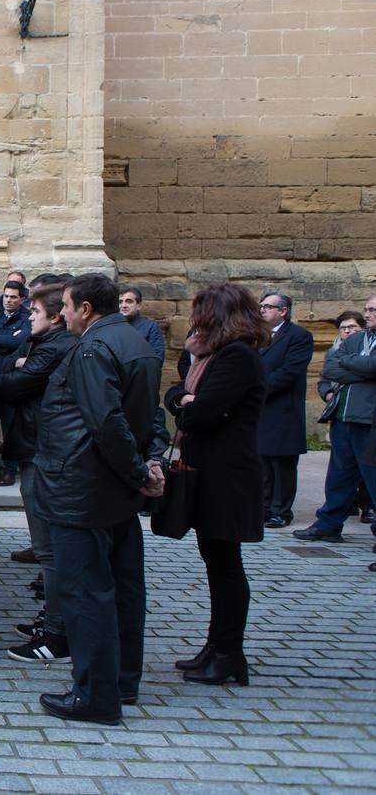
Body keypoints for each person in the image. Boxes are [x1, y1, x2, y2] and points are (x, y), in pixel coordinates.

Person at [32, 274, 163, 725]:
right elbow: (147, 416)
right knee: (123, 587)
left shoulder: (92, 348)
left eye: (66, 306)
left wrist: (138, 470)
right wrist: (146, 466)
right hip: (111, 489)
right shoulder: (134, 342)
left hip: (83, 489)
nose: (62, 314)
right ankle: (121, 680)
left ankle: (95, 694)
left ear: (86, 308)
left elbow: (107, 420)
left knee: (87, 592)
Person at [163, 283, 268, 686]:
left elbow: (198, 414)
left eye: (200, 312)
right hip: (210, 471)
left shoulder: (237, 357)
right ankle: (216, 646)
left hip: (228, 477)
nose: (193, 320)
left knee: (226, 566)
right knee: (216, 563)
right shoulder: (209, 357)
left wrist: (186, 405)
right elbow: (177, 395)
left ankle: (228, 654)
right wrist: (184, 401)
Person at [0, 284, 77, 664]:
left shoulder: (56, 346)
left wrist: (16, 366)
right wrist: (16, 362)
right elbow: (9, 369)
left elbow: (8, 384)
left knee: (50, 550)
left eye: (35, 312)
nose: (28, 317)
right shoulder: (44, 344)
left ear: (56, 315)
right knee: (47, 549)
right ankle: (53, 620)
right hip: (35, 446)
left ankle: (57, 633)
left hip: (42, 449)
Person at [296, 295, 376, 544]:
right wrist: (363, 370)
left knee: (372, 477)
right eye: (366, 309)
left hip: (369, 419)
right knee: (339, 474)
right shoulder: (356, 338)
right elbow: (330, 368)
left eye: (373, 309)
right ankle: (329, 524)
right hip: (343, 415)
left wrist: (354, 366)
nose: (368, 314)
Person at [255, 292, 314, 528]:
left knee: (282, 464)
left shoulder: (299, 336)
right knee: (263, 462)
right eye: (261, 307)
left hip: (282, 408)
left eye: (268, 307)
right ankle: (264, 507)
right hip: (260, 410)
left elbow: (290, 372)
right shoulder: (257, 336)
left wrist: (257, 388)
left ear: (283, 310)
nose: (262, 311)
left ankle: (281, 510)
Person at [0, 280, 31, 487]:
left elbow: (20, 342)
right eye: (6, 296)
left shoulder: (27, 318)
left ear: (22, 299)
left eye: (13, 297)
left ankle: (9, 469)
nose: (8, 300)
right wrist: (7, 344)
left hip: (13, 380)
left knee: (10, 425)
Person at [119, 287, 167, 363]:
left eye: (129, 301)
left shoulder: (151, 327)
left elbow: (157, 359)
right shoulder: (112, 327)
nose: (123, 305)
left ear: (139, 305)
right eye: (120, 302)